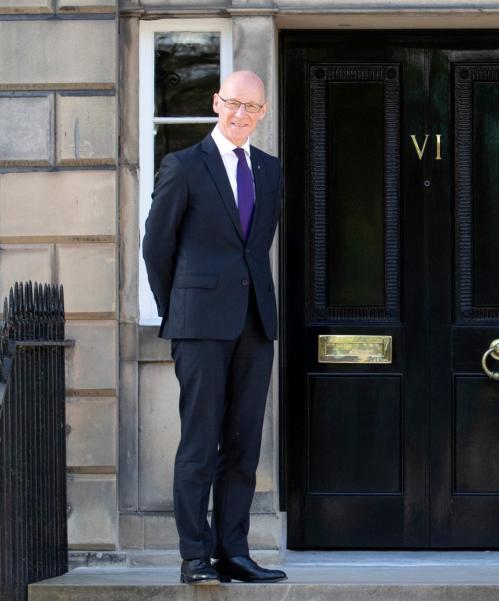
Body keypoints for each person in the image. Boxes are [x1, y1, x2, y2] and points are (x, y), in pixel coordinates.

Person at [143, 70, 286, 585]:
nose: (242, 114)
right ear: (215, 103)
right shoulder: (183, 166)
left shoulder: (270, 171)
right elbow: (156, 247)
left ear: (264, 113)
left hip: (254, 326)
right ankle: (194, 557)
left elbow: (256, 247)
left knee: (244, 445)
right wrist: (177, 310)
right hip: (199, 327)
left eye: (253, 107)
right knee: (200, 443)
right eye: (233, 104)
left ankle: (234, 551)